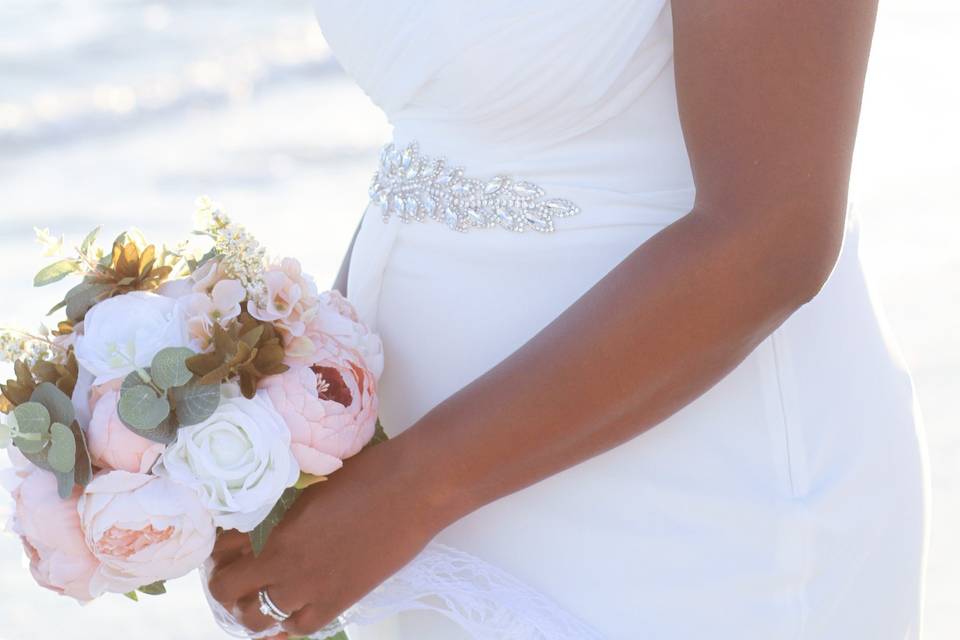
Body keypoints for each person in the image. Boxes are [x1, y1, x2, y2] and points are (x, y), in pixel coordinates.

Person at [208, 1, 931, 638]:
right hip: (435, 506)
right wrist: (311, 413)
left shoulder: (412, 493)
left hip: (695, 498)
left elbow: (775, 236)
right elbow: (437, 144)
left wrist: (408, 492)